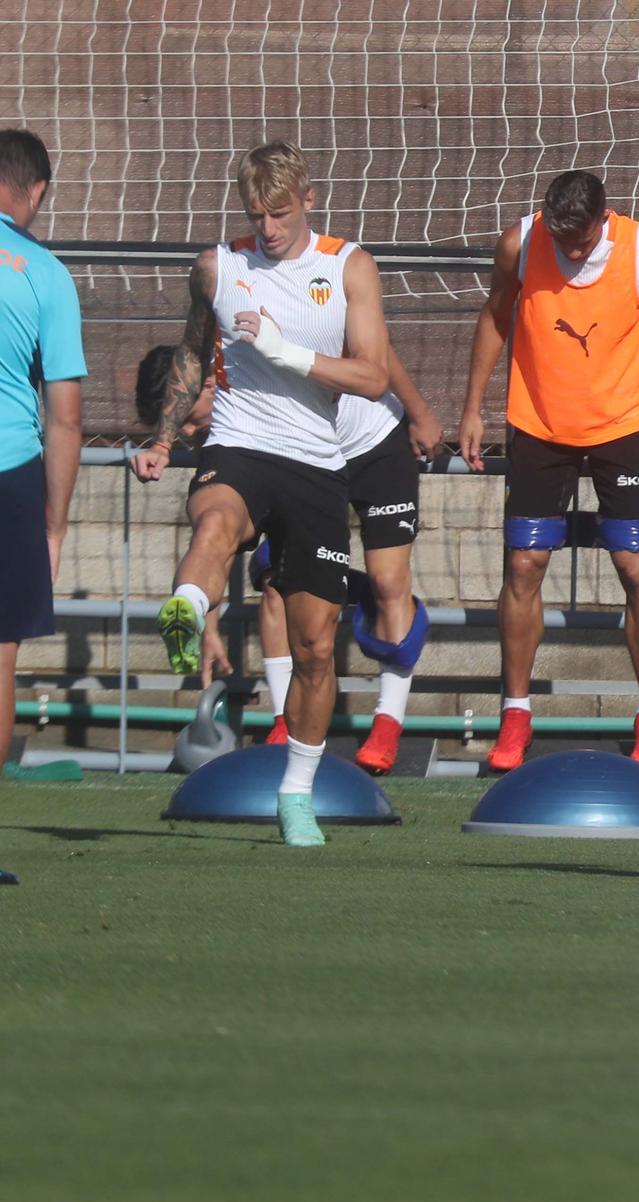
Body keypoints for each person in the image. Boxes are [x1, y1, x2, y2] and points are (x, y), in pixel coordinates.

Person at [130, 140, 391, 846]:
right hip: (240, 443)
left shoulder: (347, 267)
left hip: (315, 461)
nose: (268, 229)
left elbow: (373, 377)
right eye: (256, 215)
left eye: (279, 213)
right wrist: (162, 438)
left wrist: (289, 354)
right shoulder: (220, 267)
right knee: (214, 522)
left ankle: (297, 794)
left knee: (315, 645)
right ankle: (184, 609)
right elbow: (190, 353)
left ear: (307, 199)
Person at [459, 171, 639, 773]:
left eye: (581, 240)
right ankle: (515, 714)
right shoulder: (520, 244)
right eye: (561, 239)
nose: (571, 252)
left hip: (621, 428)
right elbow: (495, 315)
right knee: (524, 564)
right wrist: (472, 406)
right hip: (538, 426)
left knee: (636, 566)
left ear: (605, 218)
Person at [137, 343, 444, 774]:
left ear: (207, 384)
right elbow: (215, 537)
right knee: (275, 582)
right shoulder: (227, 418)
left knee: (387, 582)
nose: (188, 434)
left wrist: (420, 412)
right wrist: (207, 622)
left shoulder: (283, 321)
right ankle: (284, 719)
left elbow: (373, 348)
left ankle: (387, 724)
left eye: (187, 419)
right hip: (301, 463)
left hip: (372, 443)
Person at [0, 130, 86, 789]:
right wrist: (53, 527)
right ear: (36, 191)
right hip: (11, 473)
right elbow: (65, 417)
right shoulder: (46, 274)